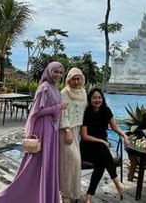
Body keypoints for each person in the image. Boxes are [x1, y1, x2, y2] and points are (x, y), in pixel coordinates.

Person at [0, 61, 68, 203]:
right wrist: (58, 107)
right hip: (43, 129)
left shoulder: (54, 88)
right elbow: (36, 111)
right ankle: (12, 196)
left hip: (51, 130)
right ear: (49, 72)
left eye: (60, 72)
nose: (58, 75)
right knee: (35, 164)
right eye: (56, 72)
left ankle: (43, 196)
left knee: (44, 164)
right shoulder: (44, 88)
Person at [80, 88, 129, 203]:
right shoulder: (86, 112)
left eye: (99, 97)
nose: (97, 100)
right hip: (87, 146)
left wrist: (125, 136)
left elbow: (114, 127)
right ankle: (117, 182)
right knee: (103, 147)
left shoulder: (106, 110)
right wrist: (102, 141)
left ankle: (88, 196)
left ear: (102, 99)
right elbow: (84, 136)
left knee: (101, 163)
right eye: (94, 98)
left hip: (101, 149)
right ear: (90, 99)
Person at [59, 68, 88, 203]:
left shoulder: (84, 92)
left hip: (78, 130)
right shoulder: (64, 93)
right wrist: (67, 130)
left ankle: (73, 192)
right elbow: (62, 113)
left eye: (78, 79)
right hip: (67, 132)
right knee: (71, 162)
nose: (76, 82)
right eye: (73, 79)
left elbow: (86, 112)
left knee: (74, 165)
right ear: (68, 80)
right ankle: (65, 194)